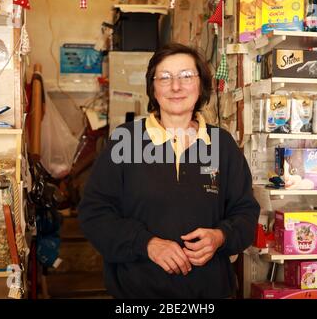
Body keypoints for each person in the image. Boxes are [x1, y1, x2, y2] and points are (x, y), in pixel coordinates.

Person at [78, 43, 260, 298]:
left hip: (208, 294)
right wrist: (146, 244)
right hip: (137, 294)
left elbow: (246, 213)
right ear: (153, 88)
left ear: (201, 84)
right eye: (165, 78)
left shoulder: (222, 145)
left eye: (186, 76)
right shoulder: (125, 141)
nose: (176, 87)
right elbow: (93, 214)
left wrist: (220, 236)